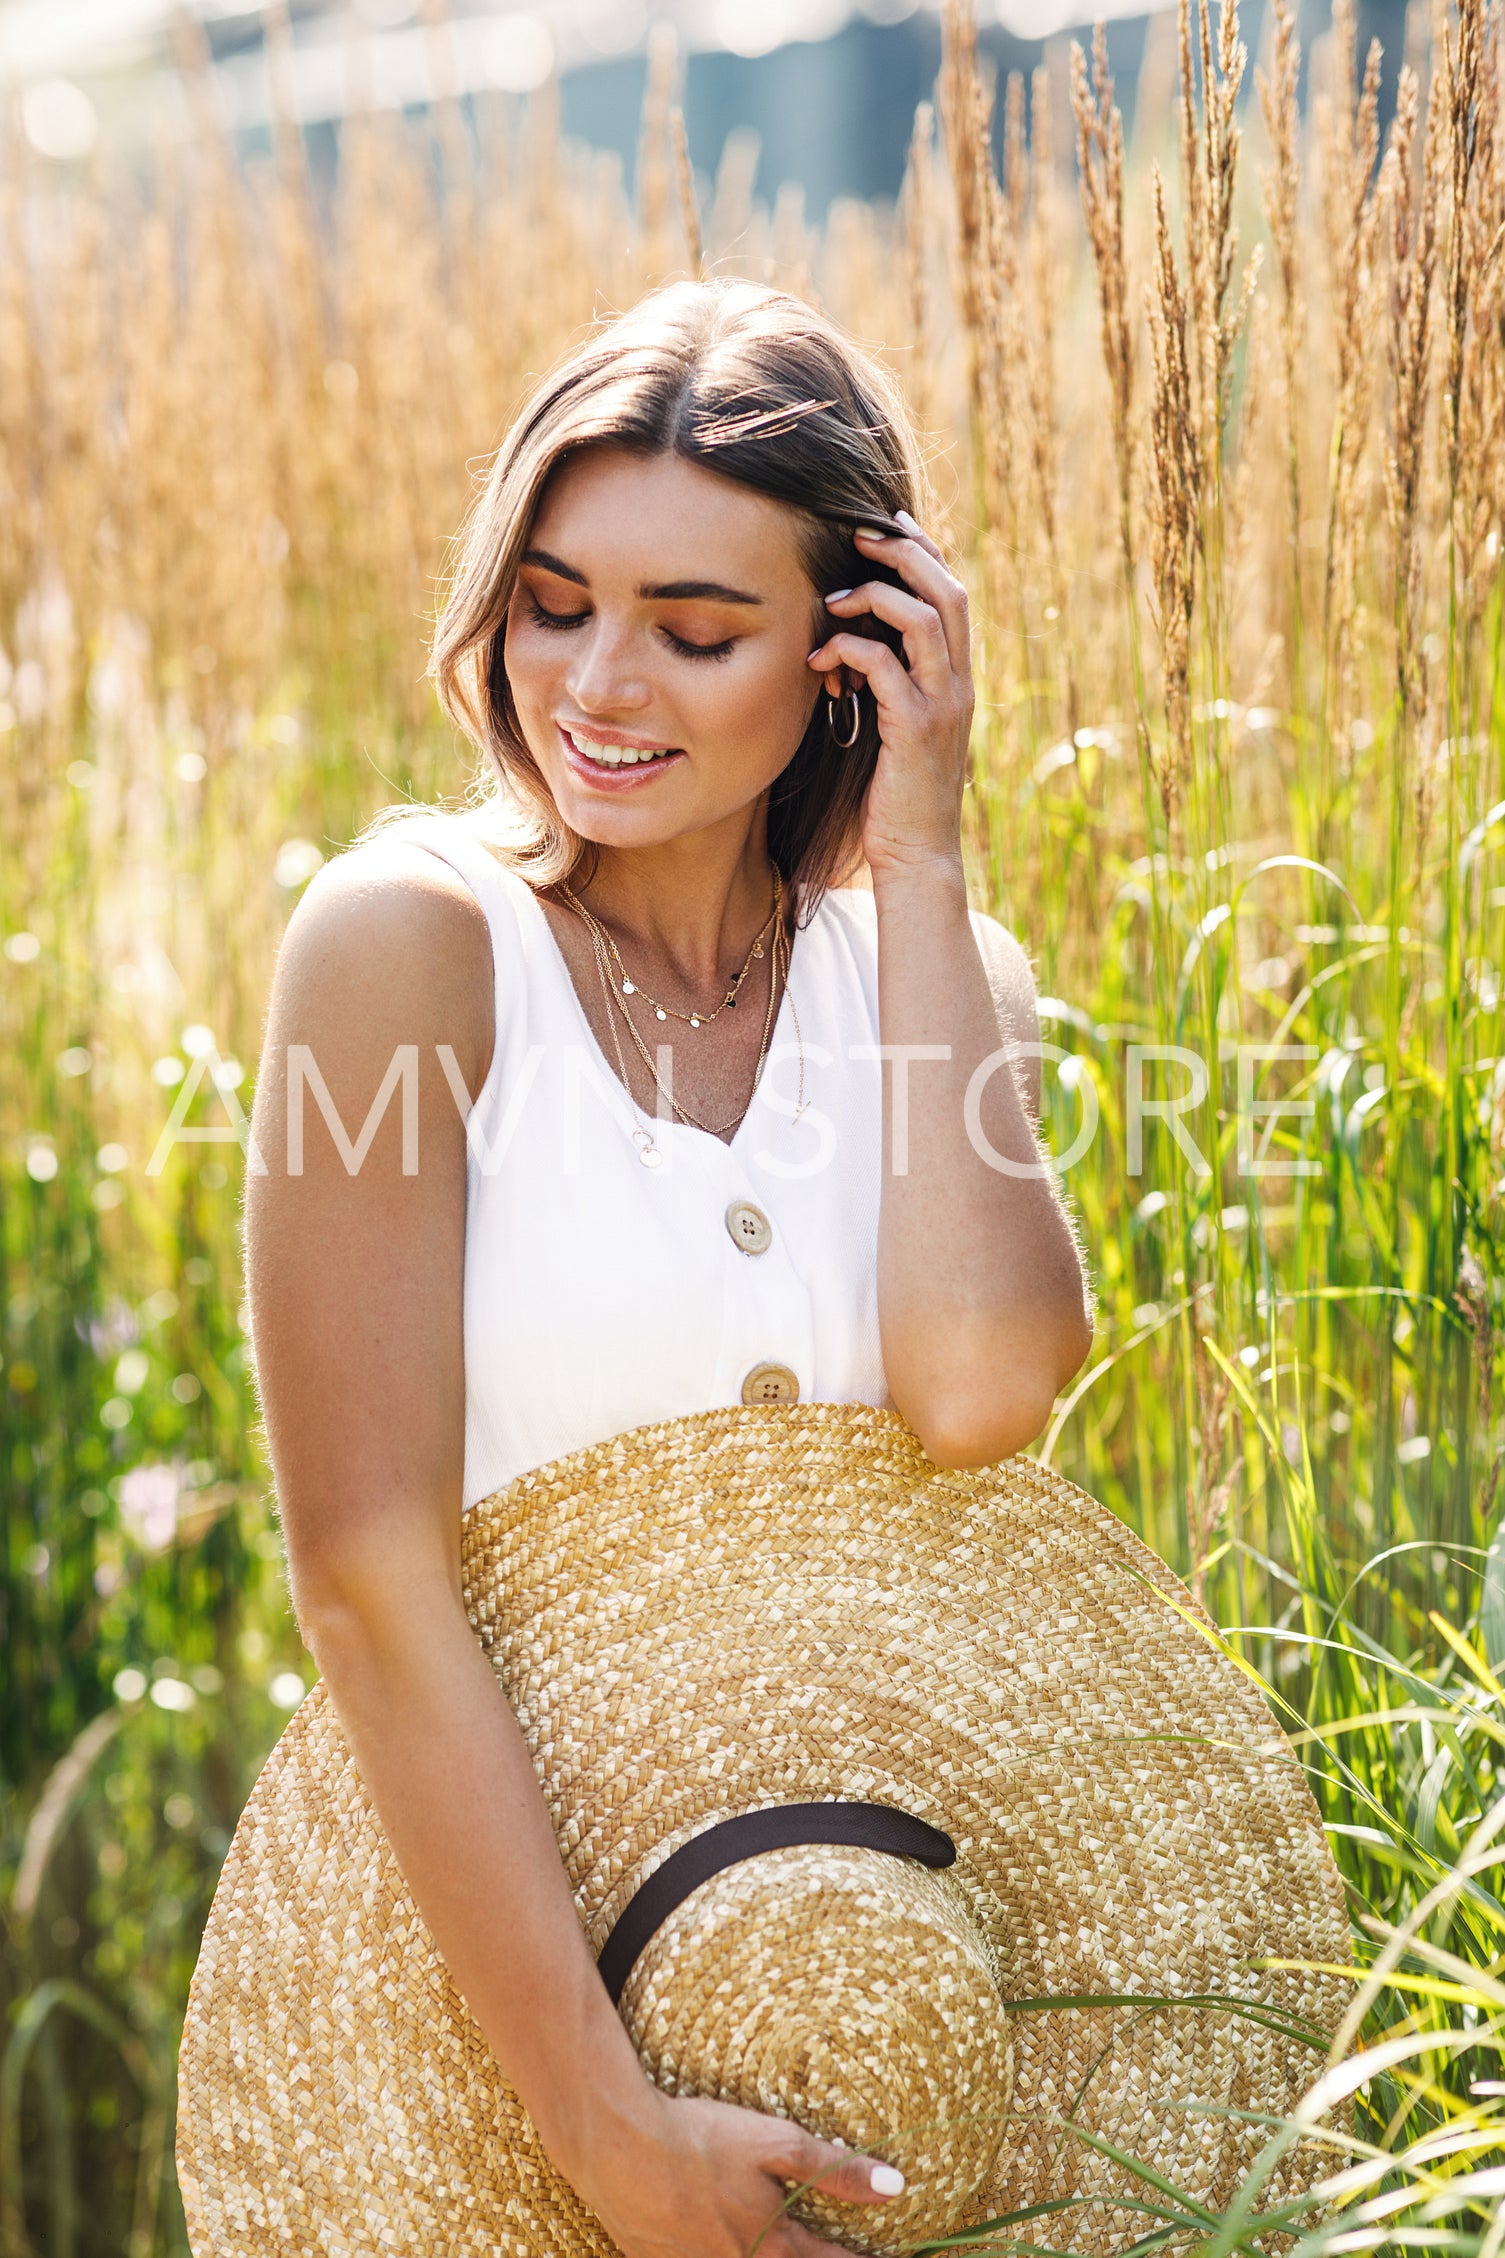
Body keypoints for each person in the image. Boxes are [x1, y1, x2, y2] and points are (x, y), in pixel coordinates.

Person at [242, 278, 1095, 2258]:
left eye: (697, 630)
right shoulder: (406, 948)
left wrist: (932, 851)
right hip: (510, 2030)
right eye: (554, 602)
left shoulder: (939, 989)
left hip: (882, 2004)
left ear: (846, 653)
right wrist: (609, 2131)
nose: (598, 685)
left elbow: (981, 1397)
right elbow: (366, 1576)